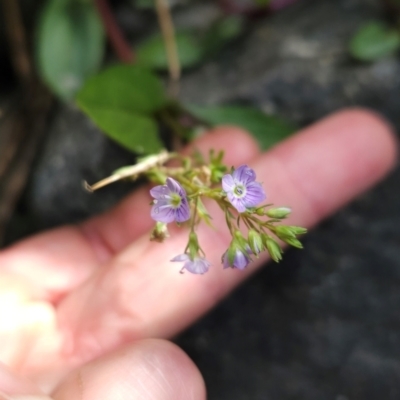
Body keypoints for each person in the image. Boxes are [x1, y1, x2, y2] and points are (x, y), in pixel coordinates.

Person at [0, 109, 396, 400]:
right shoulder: (184, 195)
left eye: (238, 193)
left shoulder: (228, 194)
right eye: (236, 191)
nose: (237, 194)